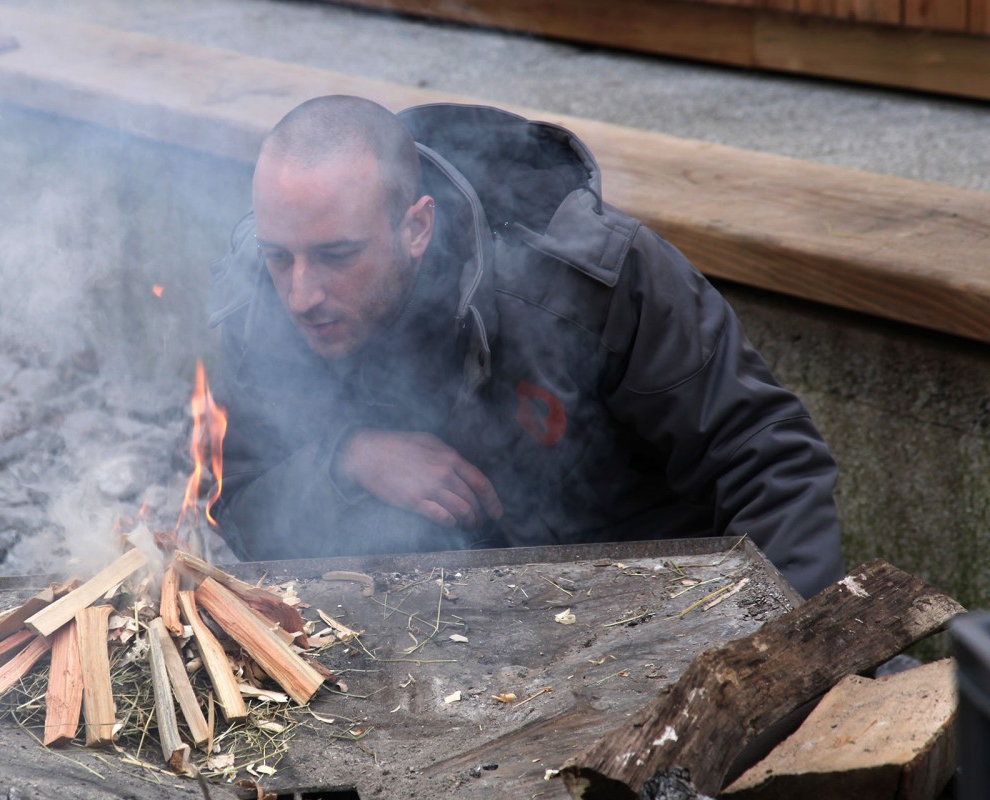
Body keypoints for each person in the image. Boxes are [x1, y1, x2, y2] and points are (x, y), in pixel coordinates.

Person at [206, 95, 844, 598]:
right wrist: (346, 460)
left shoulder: (585, 278)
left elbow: (768, 460)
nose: (301, 294)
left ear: (416, 227)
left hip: (648, 605)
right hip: (447, 640)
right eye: (278, 256)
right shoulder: (258, 299)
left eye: (337, 256)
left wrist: (768, 663)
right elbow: (237, 498)